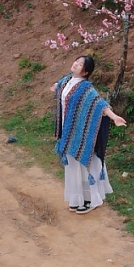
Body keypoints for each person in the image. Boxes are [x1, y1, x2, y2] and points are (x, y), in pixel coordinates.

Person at [51, 55, 126, 214]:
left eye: (79, 64)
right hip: (68, 132)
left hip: (83, 135)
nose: (75, 64)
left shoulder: (86, 89)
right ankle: (76, 198)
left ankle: (91, 199)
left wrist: (114, 117)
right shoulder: (66, 81)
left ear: (85, 72)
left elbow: (100, 104)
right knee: (73, 165)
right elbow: (60, 88)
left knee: (85, 164)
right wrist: (56, 86)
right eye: (76, 61)